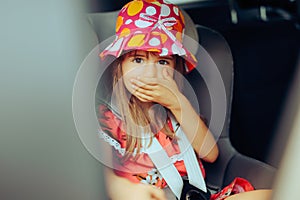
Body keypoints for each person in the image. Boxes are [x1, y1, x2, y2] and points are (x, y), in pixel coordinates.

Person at [96, 0, 272, 199]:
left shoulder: (177, 112)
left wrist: (177, 103)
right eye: (138, 59)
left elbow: (210, 154)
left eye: (163, 62)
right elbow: (102, 177)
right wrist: (127, 191)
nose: (151, 72)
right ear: (119, 67)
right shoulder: (110, 120)